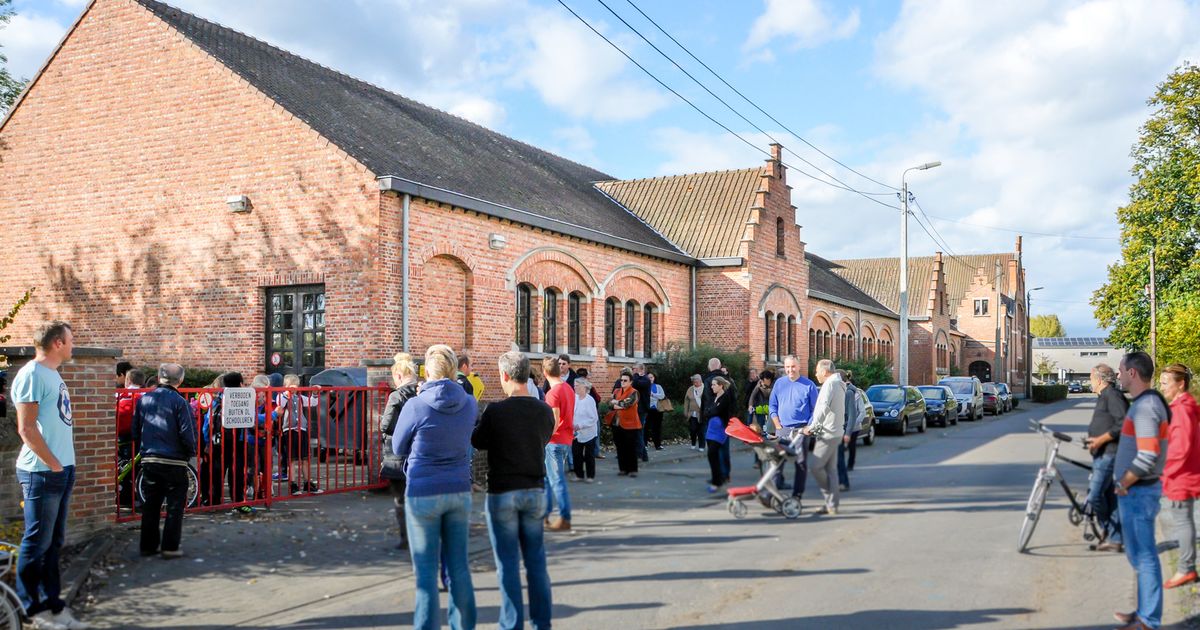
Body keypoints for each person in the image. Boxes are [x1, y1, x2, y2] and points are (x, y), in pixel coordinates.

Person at [393, 344, 478, 630]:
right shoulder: (469, 403)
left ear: (426, 371)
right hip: (458, 488)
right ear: (455, 370)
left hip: (423, 491)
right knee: (459, 568)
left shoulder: (415, 405)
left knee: (426, 575)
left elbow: (397, 445)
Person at [13, 321, 91, 630]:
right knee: (37, 542)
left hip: (60, 470)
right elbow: (26, 428)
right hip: (41, 472)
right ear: (58, 343)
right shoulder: (31, 374)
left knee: (54, 542)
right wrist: (55, 463)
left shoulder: (52, 373)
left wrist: (64, 465)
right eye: (71, 340)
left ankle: (54, 606)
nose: (74, 345)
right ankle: (33, 611)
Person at [472, 351, 555, 630]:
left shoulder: (495, 411)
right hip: (535, 489)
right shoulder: (543, 409)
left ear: (505, 375)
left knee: (507, 565)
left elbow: (478, 441)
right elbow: (544, 438)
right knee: (536, 562)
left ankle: (512, 624)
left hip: (503, 491)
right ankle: (542, 623)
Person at [1112, 351, 1170, 630]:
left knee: (1144, 557)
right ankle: (1144, 612)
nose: (1118, 375)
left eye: (1121, 370)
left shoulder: (1146, 407)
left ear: (1132, 373)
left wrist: (1124, 482)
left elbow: (1148, 454)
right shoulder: (1147, 403)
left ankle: (1149, 620)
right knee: (1138, 555)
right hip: (1138, 492)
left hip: (1138, 492)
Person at [133, 364, 197, 559]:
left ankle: (148, 546)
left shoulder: (144, 400)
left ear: (159, 378)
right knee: (175, 505)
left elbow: (136, 430)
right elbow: (187, 432)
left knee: (151, 504)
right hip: (174, 460)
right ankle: (170, 546)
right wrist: (190, 452)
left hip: (150, 458)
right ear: (180, 381)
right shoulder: (180, 402)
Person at [1162, 364, 1200, 590]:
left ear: (1180, 384)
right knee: (1183, 520)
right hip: (1183, 473)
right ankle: (1187, 567)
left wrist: (1164, 470)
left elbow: (1181, 448)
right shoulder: (1184, 406)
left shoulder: (1182, 409)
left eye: (1166, 382)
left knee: (1183, 521)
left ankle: (1186, 569)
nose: (1162, 386)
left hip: (1181, 475)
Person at [1084, 363, 1127, 553]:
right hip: (1102, 452)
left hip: (1110, 453)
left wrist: (1100, 439)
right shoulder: (1103, 396)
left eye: (1091, 378)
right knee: (1109, 497)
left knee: (1094, 496)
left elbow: (1124, 423)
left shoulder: (1113, 396)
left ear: (1100, 379)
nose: (1090, 382)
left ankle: (1108, 531)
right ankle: (1115, 539)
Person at [379, 353, 420, 550]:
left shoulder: (396, 396)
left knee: (401, 499)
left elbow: (385, 425)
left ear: (399, 376)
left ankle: (406, 538)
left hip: (398, 455)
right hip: (418, 453)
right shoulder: (422, 392)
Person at [768, 355, 819, 498]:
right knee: (777, 461)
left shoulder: (809, 385)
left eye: (793, 366)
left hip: (801, 430)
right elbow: (772, 405)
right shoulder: (779, 383)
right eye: (787, 367)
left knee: (800, 463)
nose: (790, 370)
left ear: (799, 366)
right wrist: (777, 424)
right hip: (782, 428)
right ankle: (773, 492)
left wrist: (809, 426)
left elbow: (816, 409)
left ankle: (797, 494)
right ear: (784, 368)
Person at [807, 360, 845, 515]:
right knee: (831, 470)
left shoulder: (830, 384)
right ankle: (832, 505)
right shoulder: (839, 383)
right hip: (835, 431)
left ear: (825, 371)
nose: (815, 374)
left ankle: (830, 497)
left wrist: (812, 427)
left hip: (828, 433)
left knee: (815, 467)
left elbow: (823, 407)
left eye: (817, 371)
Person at [541, 357, 574, 531]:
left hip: (554, 441)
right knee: (548, 480)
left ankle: (565, 518)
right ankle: (545, 516)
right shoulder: (568, 388)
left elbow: (553, 421)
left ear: (544, 372)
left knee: (556, 481)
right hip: (566, 439)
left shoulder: (552, 393)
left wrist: (544, 437)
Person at [277, 374, 313, 495]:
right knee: (291, 459)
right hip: (289, 430)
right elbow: (280, 404)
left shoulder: (300, 398)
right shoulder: (282, 396)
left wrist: (315, 393)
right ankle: (293, 484)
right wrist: (286, 394)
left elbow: (313, 402)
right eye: (291, 386)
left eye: (296, 386)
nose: (294, 389)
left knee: (305, 458)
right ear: (285, 386)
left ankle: (308, 483)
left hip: (301, 429)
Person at [703, 376, 736, 492]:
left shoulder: (725, 397)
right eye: (712, 385)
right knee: (712, 456)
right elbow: (706, 411)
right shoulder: (713, 398)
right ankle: (716, 479)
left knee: (713, 453)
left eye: (714, 385)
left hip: (720, 431)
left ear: (721, 385)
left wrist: (710, 411)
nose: (712, 387)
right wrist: (710, 411)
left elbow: (715, 411)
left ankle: (717, 481)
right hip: (710, 430)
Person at [609, 370, 641, 476]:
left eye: (625, 380)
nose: (622, 382)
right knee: (620, 447)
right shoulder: (616, 391)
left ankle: (632, 470)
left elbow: (628, 403)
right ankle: (623, 469)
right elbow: (609, 404)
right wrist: (618, 405)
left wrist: (616, 403)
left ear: (630, 382)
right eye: (621, 380)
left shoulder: (634, 392)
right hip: (617, 424)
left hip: (631, 424)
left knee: (630, 448)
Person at [836, 370, 863, 492]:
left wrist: (849, 430)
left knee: (850, 448)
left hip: (852, 426)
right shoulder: (839, 391)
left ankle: (848, 469)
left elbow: (858, 412)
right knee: (837, 456)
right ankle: (839, 480)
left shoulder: (853, 393)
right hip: (842, 428)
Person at [572, 379, 599, 482]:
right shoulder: (574, 398)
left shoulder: (590, 400)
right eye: (574, 385)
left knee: (589, 455)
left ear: (584, 387)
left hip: (589, 433)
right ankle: (579, 475)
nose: (575, 387)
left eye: (577, 385)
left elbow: (594, 418)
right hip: (576, 433)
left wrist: (581, 425)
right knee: (576, 454)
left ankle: (590, 476)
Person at [631, 363, 652, 462]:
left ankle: (640, 455)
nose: (633, 371)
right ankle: (644, 456)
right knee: (637, 432)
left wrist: (635, 375)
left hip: (642, 410)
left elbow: (636, 383)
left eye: (634, 369)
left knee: (639, 431)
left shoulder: (645, 380)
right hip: (635, 409)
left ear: (641, 370)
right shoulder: (638, 378)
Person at [747, 370, 774, 436]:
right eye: (762, 380)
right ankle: (763, 432)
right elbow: (752, 396)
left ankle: (766, 432)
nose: (762, 382)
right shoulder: (759, 384)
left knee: (767, 420)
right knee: (761, 420)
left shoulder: (774, 385)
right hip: (761, 406)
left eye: (764, 380)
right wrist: (750, 405)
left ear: (769, 379)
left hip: (770, 406)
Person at [645, 372, 666, 451]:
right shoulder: (644, 387)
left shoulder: (658, 386)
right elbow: (644, 397)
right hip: (647, 410)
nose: (650, 379)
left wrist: (653, 395)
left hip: (658, 410)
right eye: (648, 377)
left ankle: (658, 445)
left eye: (651, 377)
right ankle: (645, 444)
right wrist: (655, 396)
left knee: (657, 428)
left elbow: (662, 396)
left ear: (654, 378)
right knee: (646, 427)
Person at [683, 374, 705, 451]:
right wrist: (685, 411)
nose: (695, 384)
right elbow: (686, 401)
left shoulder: (705, 388)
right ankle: (693, 443)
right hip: (692, 413)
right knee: (693, 429)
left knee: (701, 431)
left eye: (696, 382)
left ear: (700, 381)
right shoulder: (690, 389)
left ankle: (702, 446)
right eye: (694, 382)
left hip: (702, 414)